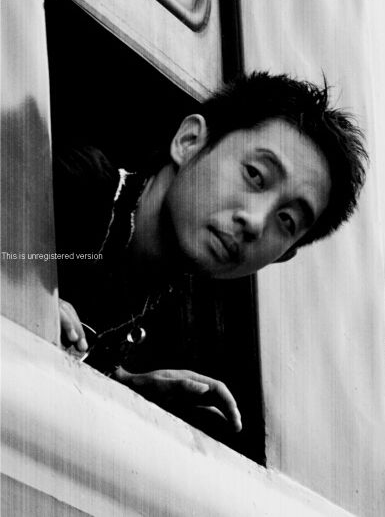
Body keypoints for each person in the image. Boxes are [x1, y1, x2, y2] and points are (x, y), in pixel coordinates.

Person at [55, 72, 367, 433]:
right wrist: (25, 295)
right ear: (189, 141)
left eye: (287, 220)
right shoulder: (69, 185)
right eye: (254, 175)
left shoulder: (183, 313)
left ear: (283, 255)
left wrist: (124, 385)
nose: (255, 222)